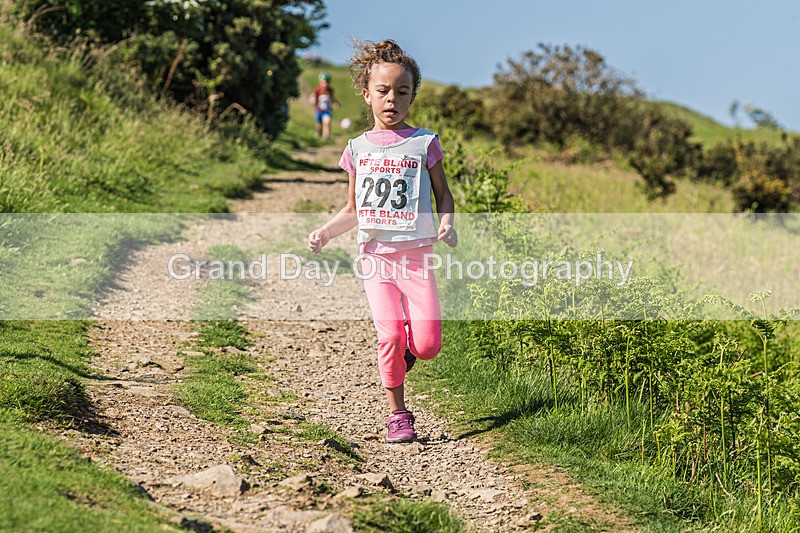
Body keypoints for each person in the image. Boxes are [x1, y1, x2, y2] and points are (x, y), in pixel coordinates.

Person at [307, 39, 457, 443]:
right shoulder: (356, 149)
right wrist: (325, 232)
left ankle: (407, 349)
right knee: (388, 335)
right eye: (383, 91)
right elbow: (352, 208)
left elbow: (444, 196)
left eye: (402, 92)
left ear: (412, 96)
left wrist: (447, 223)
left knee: (427, 346)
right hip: (375, 259)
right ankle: (398, 414)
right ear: (366, 94)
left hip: (417, 258)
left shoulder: (424, 143)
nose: (393, 99)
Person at [310, 71, 339, 141]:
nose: (326, 84)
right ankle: (318, 133)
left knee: (327, 122)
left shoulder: (330, 90)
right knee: (319, 125)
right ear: (321, 81)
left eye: (327, 82)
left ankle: (326, 136)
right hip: (319, 110)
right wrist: (314, 101)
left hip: (327, 110)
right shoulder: (317, 90)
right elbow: (313, 98)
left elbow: (332, 98)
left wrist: (336, 103)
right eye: (324, 82)